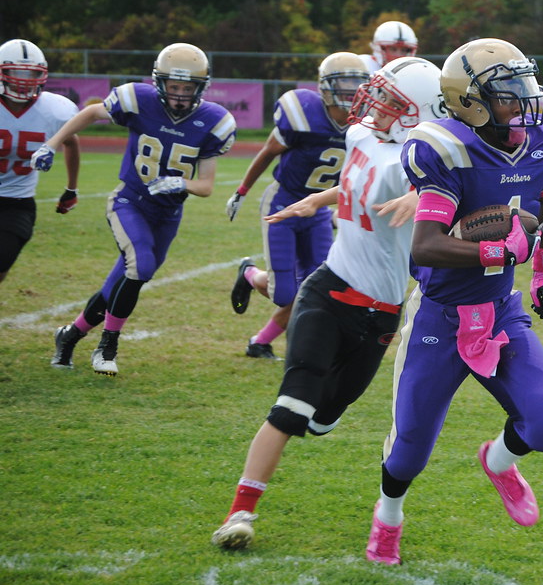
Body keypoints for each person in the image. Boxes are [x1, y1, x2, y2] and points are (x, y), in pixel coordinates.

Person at [211, 56, 443, 550]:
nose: (373, 104)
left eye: (389, 100)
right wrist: (318, 200)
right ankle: (239, 514)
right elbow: (365, 180)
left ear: (418, 113)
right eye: (377, 94)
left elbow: (447, 190)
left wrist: (429, 192)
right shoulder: (367, 138)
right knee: (292, 409)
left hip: (381, 314)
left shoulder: (415, 165)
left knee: (323, 420)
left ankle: (312, 423)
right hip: (329, 292)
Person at [364, 37, 543, 566]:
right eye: (509, 92)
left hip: (501, 312)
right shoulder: (445, 149)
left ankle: (499, 461)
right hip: (439, 316)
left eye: (525, 85)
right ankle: (388, 518)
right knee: (410, 450)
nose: (524, 100)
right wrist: (501, 248)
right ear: (471, 102)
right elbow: (427, 245)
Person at [46, 43, 236, 375]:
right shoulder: (139, 100)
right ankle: (107, 346)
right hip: (130, 201)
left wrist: (181, 184)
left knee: (120, 283)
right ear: (159, 83)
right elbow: (91, 112)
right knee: (141, 264)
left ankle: (70, 335)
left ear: (201, 88)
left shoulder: (214, 121)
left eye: (187, 88)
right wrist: (50, 145)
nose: (179, 94)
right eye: (173, 87)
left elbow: (205, 186)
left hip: (167, 215)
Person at [225, 52, 369, 359]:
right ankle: (250, 273)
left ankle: (261, 341)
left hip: (317, 212)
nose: (350, 90)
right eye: (343, 83)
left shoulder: (364, 125)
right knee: (283, 294)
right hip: (284, 204)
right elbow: (267, 152)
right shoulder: (303, 114)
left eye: (356, 83)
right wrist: (242, 190)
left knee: (315, 288)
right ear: (326, 86)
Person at [0, 38, 81, 285]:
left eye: (31, 73)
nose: (23, 80)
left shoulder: (55, 110)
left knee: (2, 260)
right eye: (15, 72)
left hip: (17, 200)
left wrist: (71, 188)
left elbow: (71, 142)